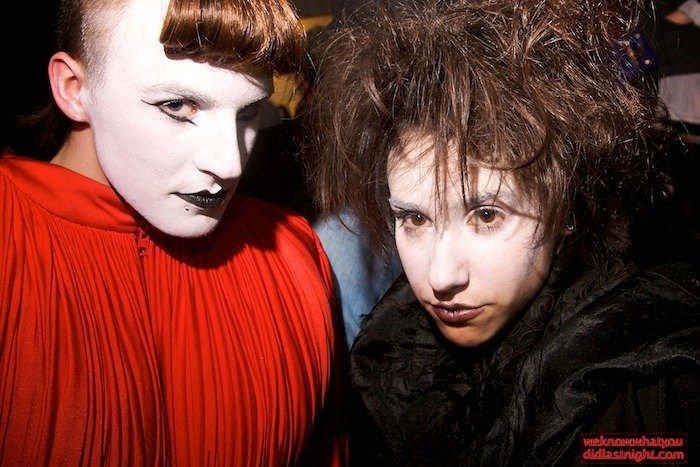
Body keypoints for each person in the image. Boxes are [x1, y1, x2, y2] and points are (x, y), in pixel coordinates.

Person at [302, 0, 700, 464]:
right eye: (414, 219)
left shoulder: (643, 388)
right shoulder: (390, 357)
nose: (440, 276)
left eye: (487, 216)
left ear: (564, 206)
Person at [0, 0, 347, 464]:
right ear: (73, 89)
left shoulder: (292, 255)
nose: (229, 163)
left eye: (248, 112)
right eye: (177, 106)